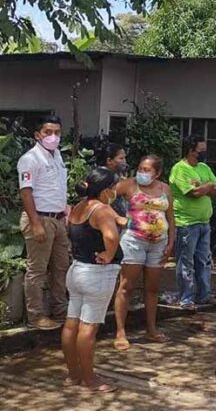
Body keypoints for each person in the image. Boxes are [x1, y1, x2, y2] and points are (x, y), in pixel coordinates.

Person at [62, 168, 122, 392]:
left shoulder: (79, 207)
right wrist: (109, 254)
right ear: (105, 191)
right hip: (96, 274)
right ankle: (90, 379)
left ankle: (73, 375)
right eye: (113, 188)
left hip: (77, 270)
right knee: (88, 328)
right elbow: (111, 236)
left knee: (71, 324)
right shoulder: (102, 210)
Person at [113, 155, 175, 351]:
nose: (142, 172)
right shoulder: (129, 185)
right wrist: (116, 218)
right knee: (126, 286)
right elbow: (103, 198)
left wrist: (171, 242)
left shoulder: (165, 189)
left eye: (147, 170)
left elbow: (171, 217)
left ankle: (151, 328)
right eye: (140, 168)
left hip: (158, 243)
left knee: (153, 287)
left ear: (157, 173)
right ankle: (120, 331)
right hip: (133, 241)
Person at [18, 115, 70, 330]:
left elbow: (57, 188)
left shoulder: (57, 155)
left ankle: (61, 312)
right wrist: (35, 223)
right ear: (37, 134)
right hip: (40, 218)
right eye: (48, 132)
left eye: (57, 132)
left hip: (58, 219)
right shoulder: (30, 159)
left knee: (61, 267)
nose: (53, 136)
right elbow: (26, 192)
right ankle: (36, 316)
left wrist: (65, 211)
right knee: (37, 270)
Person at [170, 135, 216, 308]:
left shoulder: (204, 167)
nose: (204, 153)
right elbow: (194, 193)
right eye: (201, 150)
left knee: (203, 260)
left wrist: (204, 187)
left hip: (204, 222)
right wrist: (207, 186)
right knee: (186, 261)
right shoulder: (180, 169)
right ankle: (186, 297)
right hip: (186, 223)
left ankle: (204, 294)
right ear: (191, 150)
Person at [95, 142, 129, 217]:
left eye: (125, 158)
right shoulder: (102, 178)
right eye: (121, 158)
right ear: (109, 161)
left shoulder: (118, 174)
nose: (124, 161)